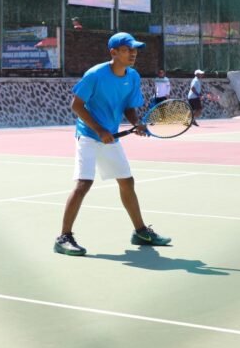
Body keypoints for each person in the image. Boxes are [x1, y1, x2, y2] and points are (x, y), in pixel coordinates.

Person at [53, 32, 172, 257]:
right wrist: (99, 130)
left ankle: (141, 232)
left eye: (134, 50)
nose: (133, 54)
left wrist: (136, 123)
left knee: (127, 181)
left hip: (111, 137)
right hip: (88, 135)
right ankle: (63, 238)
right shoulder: (95, 75)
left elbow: (128, 106)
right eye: (127, 50)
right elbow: (76, 105)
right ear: (114, 52)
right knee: (83, 184)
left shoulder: (133, 76)